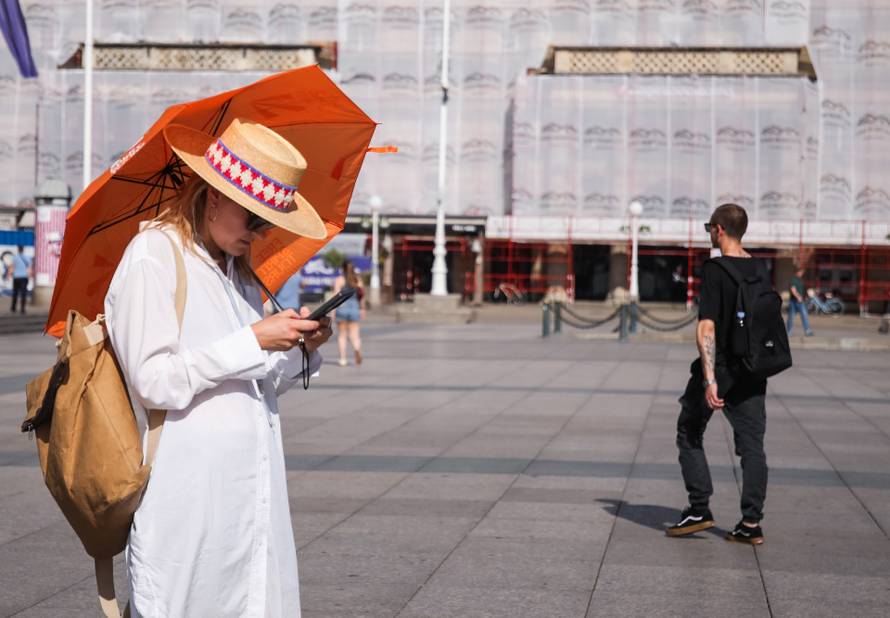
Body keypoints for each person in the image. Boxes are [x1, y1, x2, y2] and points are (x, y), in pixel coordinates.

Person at [104, 118, 332, 617]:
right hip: (189, 496)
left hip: (251, 495)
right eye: (254, 218)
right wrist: (252, 339)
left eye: (269, 222)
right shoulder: (155, 256)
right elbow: (152, 379)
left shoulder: (239, 276)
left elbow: (259, 380)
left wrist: (300, 346)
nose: (262, 232)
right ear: (214, 197)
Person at [668, 203, 769, 545]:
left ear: (719, 230)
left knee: (689, 429)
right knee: (752, 446)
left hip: (722, 368)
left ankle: (699, 507)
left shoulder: (714, 270)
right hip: (754, 370)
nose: (709, 232)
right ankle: (751, 523)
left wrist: (710, 379)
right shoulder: (759, 268)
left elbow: (706, 327)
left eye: (709, 227)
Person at [333, 260, 366, 366]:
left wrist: (333, 312)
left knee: (342, 336)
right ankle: (356, 348)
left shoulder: (339, 280)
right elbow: (362, 296)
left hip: (342, 309)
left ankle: (343, 359)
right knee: (355, 336)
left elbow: (335, 297)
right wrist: (362, 309)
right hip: (354, 308)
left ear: (342, 269)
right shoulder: (357, 280)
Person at [786, 266, 814, 336]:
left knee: (804, 315)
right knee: (791, 317)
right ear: (797, 272)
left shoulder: (800, 280)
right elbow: (793, 289)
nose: (802, 273)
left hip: (800, 301)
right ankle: (788, 331)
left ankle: (807, 330)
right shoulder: (794, 279)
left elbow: (803, 289)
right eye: (801, 272)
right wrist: (798, 296)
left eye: (802, 272)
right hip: (794, 301)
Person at [9, 245, 32, 314]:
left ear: (18, 249)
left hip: (16, 277)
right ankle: (22, 309)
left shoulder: (15, 257)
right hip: (24, 277)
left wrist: (10, 274)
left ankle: (13, 308)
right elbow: (29, 268)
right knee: (23, 294)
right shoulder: (27, 258)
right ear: (23, 249)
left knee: (15, 293)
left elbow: (12, 267)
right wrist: (29, 275)